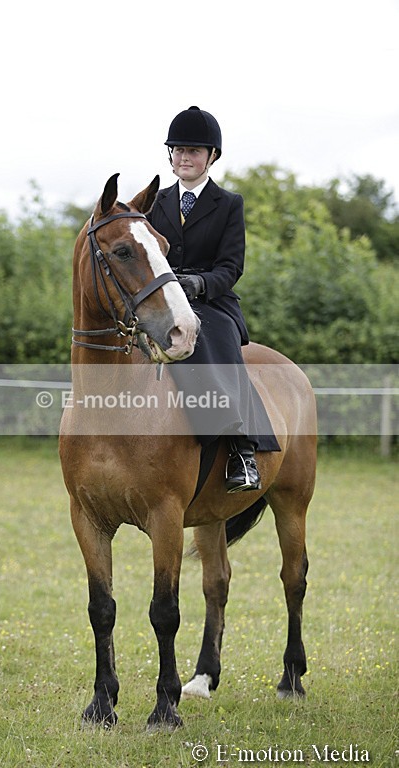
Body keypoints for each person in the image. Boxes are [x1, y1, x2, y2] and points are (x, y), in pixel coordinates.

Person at [147, 105, 279, 492]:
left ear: (212, 157)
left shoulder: (229, 204)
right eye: (178, 150)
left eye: (194, 151)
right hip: (164, 300)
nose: (184, 158)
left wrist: (199, 286)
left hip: (212, 301)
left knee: (215, 342)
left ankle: (241, 448)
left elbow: (231, 266)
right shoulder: (155, 202)